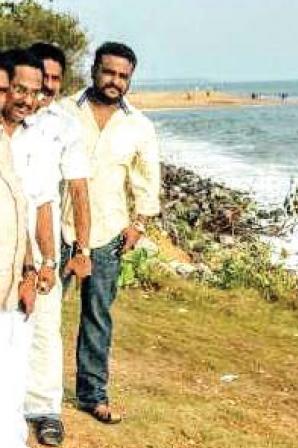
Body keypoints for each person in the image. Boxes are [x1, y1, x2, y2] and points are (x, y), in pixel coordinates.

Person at [60, 42, 160, 424]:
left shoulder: (139, 125)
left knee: (97, 317)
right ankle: (29, 390)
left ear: (130, 79)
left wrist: (140, 224)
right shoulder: (65, 111)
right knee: (41, 313)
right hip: (59, 229)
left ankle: (92, 395)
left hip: (108, 234)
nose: (115, 81)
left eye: (123, 76)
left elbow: (147, 180)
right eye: (109, 72)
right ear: (94, 70)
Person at [22, 42, 92, 447]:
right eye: (40, 78)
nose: (46, 87)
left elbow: (79, 190)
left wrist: (81, 250)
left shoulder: (64, 126)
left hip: (45, 236)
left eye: (54, 79)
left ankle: (46, 410)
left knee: (45, 327)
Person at [0, 50, 46, 448]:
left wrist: (32, 271)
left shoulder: (31, 139)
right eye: (17, 89)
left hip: (14, 279)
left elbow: (28, 210)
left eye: (34, 91)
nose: (25, 99)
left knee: (13, 379)